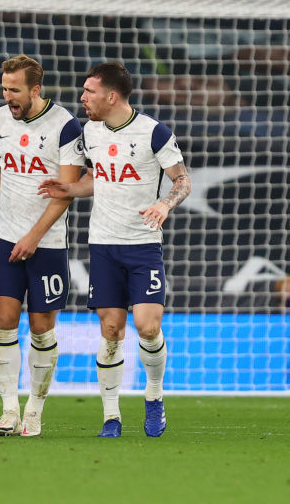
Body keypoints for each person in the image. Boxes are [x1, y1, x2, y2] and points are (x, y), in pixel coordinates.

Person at [38, 61, 190, 438]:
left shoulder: (154, 132)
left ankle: (154, 398)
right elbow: (98, 178)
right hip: (103, 244)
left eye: (89, 91)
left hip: (142, 246)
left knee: (148, 327)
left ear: (111, 95)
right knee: (111, 329)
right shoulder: (89, 132)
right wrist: (71, 189)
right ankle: (111, 416)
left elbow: (183, 180)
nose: (82, 97)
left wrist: (165, 204)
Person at [0, 55, 84, 436]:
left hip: (48, 243)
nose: (8, 96)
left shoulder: (66, 125)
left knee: (41, 328)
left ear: (35, 89)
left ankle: (35, 411)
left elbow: (66, 191)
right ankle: (8, 411)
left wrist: (34, 236)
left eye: (15, 90)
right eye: (4, 88)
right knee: (4, 322)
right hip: (6, 235)